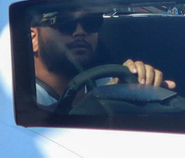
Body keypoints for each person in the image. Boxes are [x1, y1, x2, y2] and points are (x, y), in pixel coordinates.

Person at [29, 8, 174, 108]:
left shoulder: (109, 83)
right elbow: (36, 120)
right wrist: (98, 98)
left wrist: (141, 82)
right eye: (65, 23)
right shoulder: (17, 95)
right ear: (33, 38)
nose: (80, 32)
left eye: (91, 23)